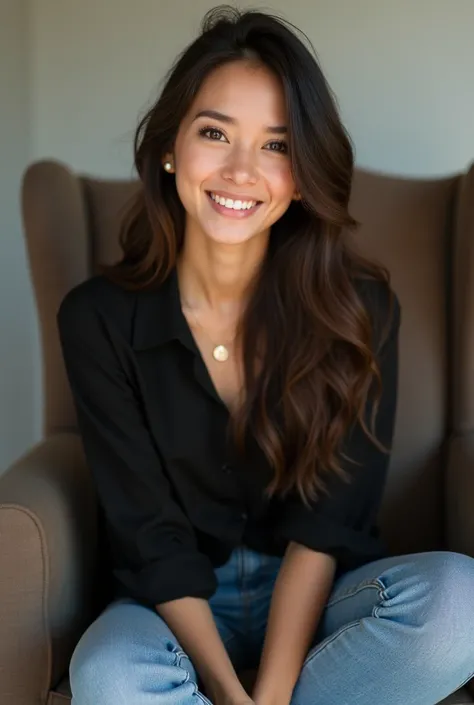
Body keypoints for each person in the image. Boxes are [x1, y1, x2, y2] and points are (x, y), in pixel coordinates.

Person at [57, 6, 474, 705]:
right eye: (215, 132)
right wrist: (227, 691)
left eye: (276, 146)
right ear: (170, 147)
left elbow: (327, 524)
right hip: (169, 608)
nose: (241, 170)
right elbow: (150, 539)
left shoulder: (359, 309)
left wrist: (274, 695)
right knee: (107, 678)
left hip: (324, 599)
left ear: (305, 174)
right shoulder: (98, 318)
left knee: (460, 606)